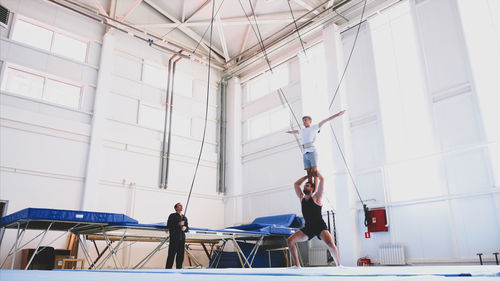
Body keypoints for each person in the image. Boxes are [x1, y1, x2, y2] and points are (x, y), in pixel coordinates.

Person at [287, 172, 341, 267]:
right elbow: (296, 184)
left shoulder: (317, 197)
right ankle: (298, 266)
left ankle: (339, 265)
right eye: (305, 186)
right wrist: (306, 177)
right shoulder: (301, 198)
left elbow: (322, 179)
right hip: (308, 228)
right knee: (290, 241)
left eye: (307, 186)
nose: (305, 187)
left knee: (331, 245)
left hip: (320, 226)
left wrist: (317, 174)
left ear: (312, 189)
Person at [286, 111, 346, 182]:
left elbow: (325, 120)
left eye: (306, 120)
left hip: (312, 151)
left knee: (314, 170)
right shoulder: (302, 130)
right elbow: (296, 131)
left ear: (310, 121)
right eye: (303, 121)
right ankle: (310, 186)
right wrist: (290, 132)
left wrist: (337, 115)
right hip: (305, 153)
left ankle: (316, 185)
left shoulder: (314, 127)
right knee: (308, 172)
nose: (304, 122)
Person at [165, 202, 189, 269]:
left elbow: (187, 228)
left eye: (181, 205)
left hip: (182, 239)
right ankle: (168, 270)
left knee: (181, 255)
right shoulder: (172, 216)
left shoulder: (185, 218)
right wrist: (179, 225)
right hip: (174, 238)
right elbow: (169, 226)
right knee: (171, 255)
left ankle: (179, 269)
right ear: (176, 208)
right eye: (179, 205)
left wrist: (185, 228)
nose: (181, 206)